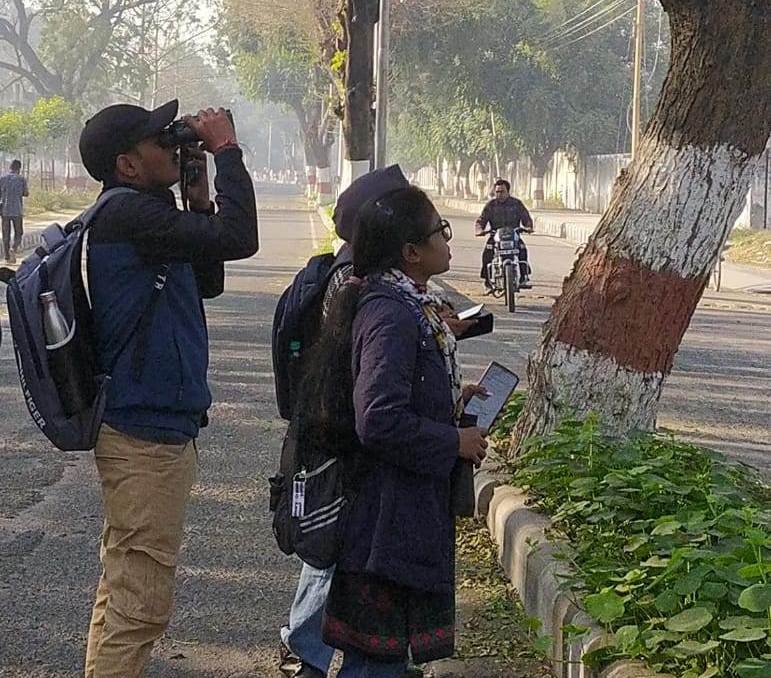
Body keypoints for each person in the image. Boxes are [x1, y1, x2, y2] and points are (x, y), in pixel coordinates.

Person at [77, 99, 258, 677]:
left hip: (151, 427)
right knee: (140, 606)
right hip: (142, 434)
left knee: (124, 584)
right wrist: (227, 150)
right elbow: (241, 237)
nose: (175, 145)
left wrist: (199, 200)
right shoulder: (126, 217)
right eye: (163, 140)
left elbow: (208, 279)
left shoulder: (145, 216)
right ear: (127, 165)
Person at [294, 186, 488, 677]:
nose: (448, 240)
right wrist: (453, 442)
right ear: (411, 252)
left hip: (404, 512)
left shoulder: (410, 302)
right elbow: (378, 418)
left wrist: (451, 399)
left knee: (386, 656)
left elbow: (398, 394)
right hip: (387, 520)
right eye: (439, 231)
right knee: (375, 659)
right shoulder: (391, 313)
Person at [279, 165, 413, 678]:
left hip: (332, 430)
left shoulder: (349, 274)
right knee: (328, 546)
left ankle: (318, 646)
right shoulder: (352, 282)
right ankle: (307, 647)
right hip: (337, 436)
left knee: (333, 545)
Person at [474, 178, 533, 292]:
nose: (499, 194)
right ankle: (487, 281)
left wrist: (528, 227)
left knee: (523, 250)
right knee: (487, 253)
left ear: (508, 192)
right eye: (497, 192)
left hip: (513, 235)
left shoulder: (517, 204)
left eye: (502, 192)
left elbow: (526, 218)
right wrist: (480, 230)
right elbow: (481, 220)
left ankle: (524, 276)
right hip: (496, 236)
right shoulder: (490, 205)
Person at [0, 159, 29, 264]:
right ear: (19, 169)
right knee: (19, 233)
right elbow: (26, 193)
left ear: (10, 167)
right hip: (17, 211)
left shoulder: (2, 179)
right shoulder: (21, 179)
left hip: (5, 211)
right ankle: (14, 248)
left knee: (5, 234)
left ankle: (7, 257)